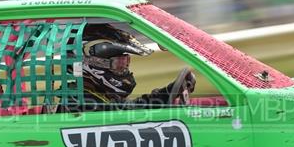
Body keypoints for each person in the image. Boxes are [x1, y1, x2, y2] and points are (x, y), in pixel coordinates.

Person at [61, 23, 196, 111]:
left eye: (125, 63)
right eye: (118, 64)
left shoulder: (100, 95)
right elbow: (131, 117)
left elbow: (134, 107)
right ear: (91, 65)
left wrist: (168, 92)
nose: (124, 70)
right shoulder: (81, 102)